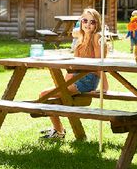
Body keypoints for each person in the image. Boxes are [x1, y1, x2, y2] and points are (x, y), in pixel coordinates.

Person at [39, 8, 109, 139]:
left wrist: (104, 87)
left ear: (97, 24)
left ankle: (58, 131)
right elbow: (74, 66)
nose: (88, 24)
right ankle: (57, 129)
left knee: (44, 95)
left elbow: (101, 64)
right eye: (85, 21)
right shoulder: (81, 38)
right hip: (76, 77)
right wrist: (64, 83)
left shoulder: (97, 37)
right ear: (81, 22)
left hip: (88, 80)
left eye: (92, 22)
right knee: (48, 96)